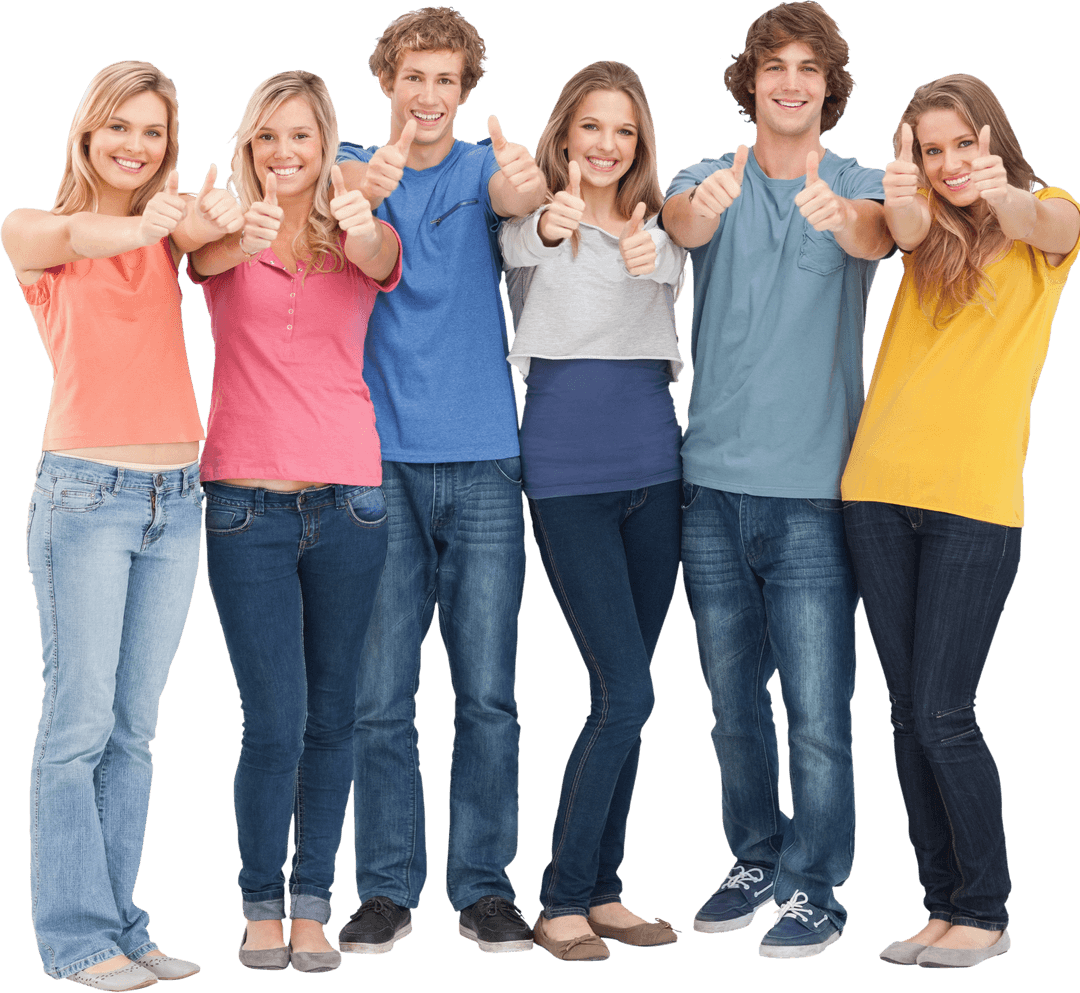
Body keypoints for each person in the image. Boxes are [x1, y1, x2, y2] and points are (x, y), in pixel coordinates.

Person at [660, 2, 893, 959]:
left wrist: (856, 223)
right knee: (728, 702)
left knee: (817, 706)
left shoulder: (859, 184)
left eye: (808, 68)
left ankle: (818, 886)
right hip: (708, 487)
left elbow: (884, 234)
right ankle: (755, 854)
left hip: (813, 495)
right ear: (749, 80)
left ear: (829, 87)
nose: (790, 82)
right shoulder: (704, 177)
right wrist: (693, 212)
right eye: (773, 66)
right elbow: (674, 222)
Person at [3, 60, 242, 990]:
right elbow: (72, 230)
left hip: (176, 499)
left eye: (153, 133)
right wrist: (153, 223)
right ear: (87, 132)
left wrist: (218, 226)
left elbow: (219, 257)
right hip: (83, 500)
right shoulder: (37, 231)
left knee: (134, 730)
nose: (136, 147)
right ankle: (72, 940)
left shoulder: (170, 236)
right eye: (120, 129)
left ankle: (123, 923)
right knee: (77, 725)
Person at [841, 74, 1080, 970]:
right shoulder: (924, 229)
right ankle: (941, 906)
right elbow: (898, 229)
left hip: (974, 503)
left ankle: (986, 908)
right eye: (928, 151)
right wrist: (904, 198)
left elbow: (1044, 223)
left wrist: (999, 187)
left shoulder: (1045, 214)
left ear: (992, 138)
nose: (945, 166)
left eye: (958, 146)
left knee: (946, 711)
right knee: (908, 714)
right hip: (875, 489)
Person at [332, 6, 546, 955]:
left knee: (488, 691)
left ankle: (484, 887)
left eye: (446, 81)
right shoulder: (347, 173)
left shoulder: (482, 172)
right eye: (413, 76)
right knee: (380, 693)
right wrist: (361, 191)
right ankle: (383, 888)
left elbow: (515, 200)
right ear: (387, 79)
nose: (428, 95)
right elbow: (349, 230)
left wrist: (529, 183)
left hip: (488, 461)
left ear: (467, 92)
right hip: (375, 461)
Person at [188, 70, 401, 975]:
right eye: (267, 137)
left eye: (302, 138)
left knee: (333, 717)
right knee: (272, 719)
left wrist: (357, 220)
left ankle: (313, 903)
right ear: (247, 147)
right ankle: (257, 905)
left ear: (327, 145)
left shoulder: (357, 232)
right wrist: (226, 226)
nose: (284, 153)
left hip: (349, 499)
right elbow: (197, 253)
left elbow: (384, 260)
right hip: (244, 506)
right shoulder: (228, 234)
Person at [500, 60, 685, 963]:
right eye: (591, 128)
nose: (607, 145)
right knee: (628, 691)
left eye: (624, 131)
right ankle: (561, 899)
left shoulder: (664, 234)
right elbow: (521, 240)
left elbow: (678, 267)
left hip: (657, 473)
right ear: (564, 136)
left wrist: (660, 255)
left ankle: (606, 890)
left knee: (630, 697)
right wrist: (547, 216)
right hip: (568, 474)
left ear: (640, 142)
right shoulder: (534, 224)